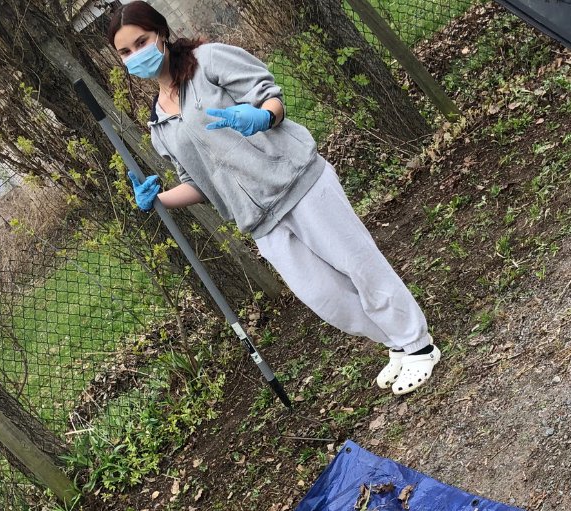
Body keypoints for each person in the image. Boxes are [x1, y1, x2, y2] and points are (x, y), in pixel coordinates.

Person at [108, 1, 440, 396]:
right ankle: (396, 342)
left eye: (141, 42)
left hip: (297, 184)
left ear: (160, 33)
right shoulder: (158, 124)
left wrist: (264, 117)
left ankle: (419, 345)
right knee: (325, 297)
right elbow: (197, 184)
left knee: (359, 266)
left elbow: (269, 94)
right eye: (125, 52)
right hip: (259, 220)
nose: (136, 55)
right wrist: (159, 198)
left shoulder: (207, 60)